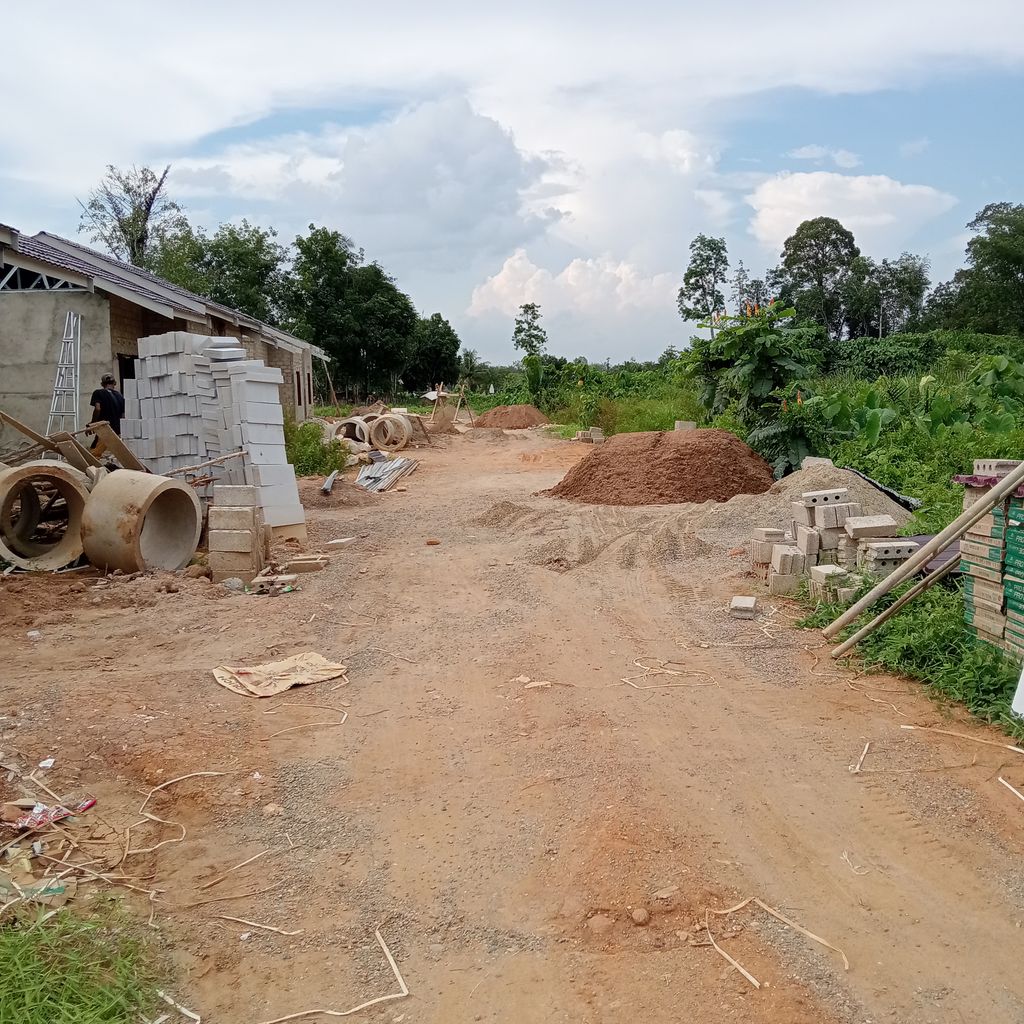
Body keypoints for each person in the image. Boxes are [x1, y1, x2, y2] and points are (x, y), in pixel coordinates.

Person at [89, 373, 125, 437]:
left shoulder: (98, 392)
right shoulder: (120, 396)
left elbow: (97, 409)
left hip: (104, 428)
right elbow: (123, 415)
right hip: (117, 431)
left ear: (102, 384)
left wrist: (93, 423)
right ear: (115, 383)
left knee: (97, 446)